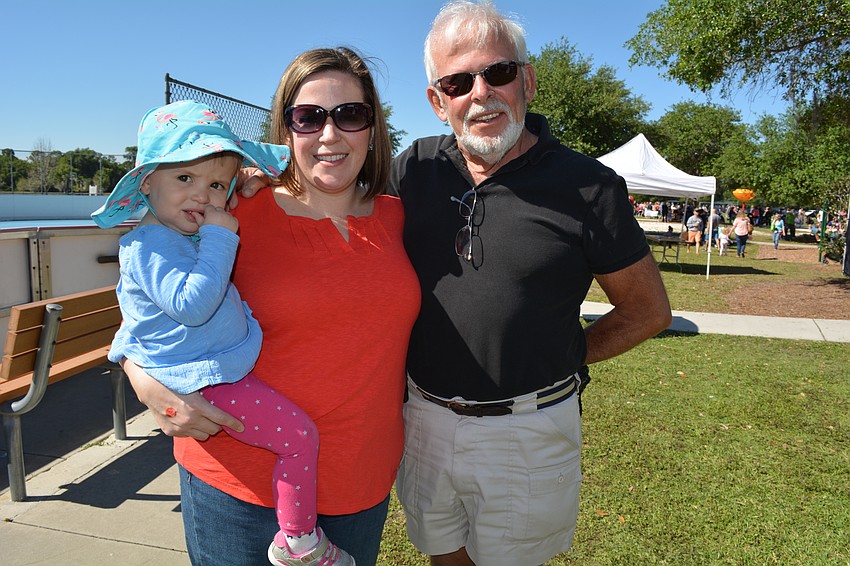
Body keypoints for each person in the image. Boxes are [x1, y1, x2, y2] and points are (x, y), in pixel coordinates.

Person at [382, 2, 671, 564]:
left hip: (529, 434)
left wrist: (565, 355)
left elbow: (648, 311)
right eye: (458, 81)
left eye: (499, 72)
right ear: (437, 101)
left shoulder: (588, 186)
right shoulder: (410, 169)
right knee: (442, 554)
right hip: (423, 421)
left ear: (528, 80)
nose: (480, 92)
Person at [117, 48, 421, 566]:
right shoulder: (227, 213)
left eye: (350, 114)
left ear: (373, 126)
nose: (330, 134)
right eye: (309, 117)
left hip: (359, 484)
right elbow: (140, 308)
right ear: (287, 128)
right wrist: (147, 385)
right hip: (235, 484)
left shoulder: (403, 218)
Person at [92, 100, 358, 566]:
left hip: (210, 372)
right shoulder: (153, 244)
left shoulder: (178, 234)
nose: (201, 195)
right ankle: (298, 540)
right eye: (184, 178)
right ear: (147, 182)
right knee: (298, 438)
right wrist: (220, 235)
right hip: (207, 381)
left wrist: (250, 182)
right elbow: (192, 307)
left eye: (215, 184)